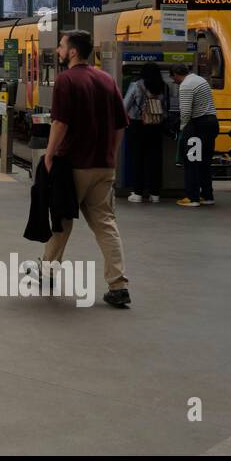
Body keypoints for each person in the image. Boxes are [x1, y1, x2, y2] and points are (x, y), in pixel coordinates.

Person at [42, 30, 130, 308]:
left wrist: (49, 154)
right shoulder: (106, 79)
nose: (58, 51)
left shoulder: (66, 80)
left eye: (61, 47)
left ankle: (48, 273)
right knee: (106, 224)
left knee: (61, 220)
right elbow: (120, 125)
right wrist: (111, 154)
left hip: (74, 165)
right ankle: (118, 285)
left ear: (73, 52)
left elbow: (60, 123)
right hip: (103, 166)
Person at [171, 62, 218, 209]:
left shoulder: (186, 85)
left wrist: (183, 129)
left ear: (177, 75)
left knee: (191, 162)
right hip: (211, 123)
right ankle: (207, 196)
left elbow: (185, 112)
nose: (174, 82)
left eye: (174, 78)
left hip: (197, 127)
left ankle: (192, 197)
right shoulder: (200, 80)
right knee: (204, 162)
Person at [123, 62, 169, 203]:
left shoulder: (136, 85)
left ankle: (137, 193)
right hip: (156, 126)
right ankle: (155, 194)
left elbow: (125, 105)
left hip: (137, 126)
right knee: (155, 159)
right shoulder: (164, 86)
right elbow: (166, 108)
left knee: (138, 159)